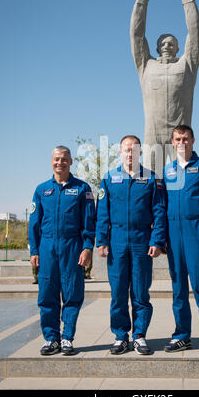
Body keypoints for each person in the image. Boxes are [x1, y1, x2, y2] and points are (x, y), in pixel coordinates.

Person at [96, 135, 167, 355]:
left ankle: (139, 335)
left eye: (134, 150)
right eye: (126, 150)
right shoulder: (109, 178)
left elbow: (159, 211)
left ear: (140, 153)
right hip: (117, 240)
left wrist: (157, 240)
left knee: (140, 291)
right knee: (118, 291)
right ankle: (120, 336)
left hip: (141, 240)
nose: (130, 154)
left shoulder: (152, 179)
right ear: (120, 152)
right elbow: (102, 213)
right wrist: (101, 240)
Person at [28, 145, 95, 356]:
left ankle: (67, 338)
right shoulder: (41, 190)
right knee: (47, 296)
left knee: (72, 295)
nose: (60, 163)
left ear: (71, 162)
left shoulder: (83, 189)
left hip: (72, 247)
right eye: (57, 159)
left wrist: (87, 247)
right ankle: (51, 339)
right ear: (51, 161)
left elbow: (89, 221)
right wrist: (34, 250)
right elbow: (34, 223)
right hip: (47, 247)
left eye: (64, 159)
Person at [130, 0, 199, 170]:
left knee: (183, 181)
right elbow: (136, 36)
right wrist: (140, 4)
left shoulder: (186, 65)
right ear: (156, 48)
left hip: (180, 136)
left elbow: (195, 35)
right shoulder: (146, 65)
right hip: (153, 136)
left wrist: (188, 1)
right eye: (162, 44)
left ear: (178, 48)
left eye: (171, 44)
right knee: (149, 184)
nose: (166, 47)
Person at [163, 125, 199, 356]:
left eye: (185, 138)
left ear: (193, 139)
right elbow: (161, 205)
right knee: (178, 289)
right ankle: (182, 336)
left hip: (196, 233)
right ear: (172, 141)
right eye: (178, 139)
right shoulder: (168, 170)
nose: (182, 142)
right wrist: (161, 237)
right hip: (173, 235)